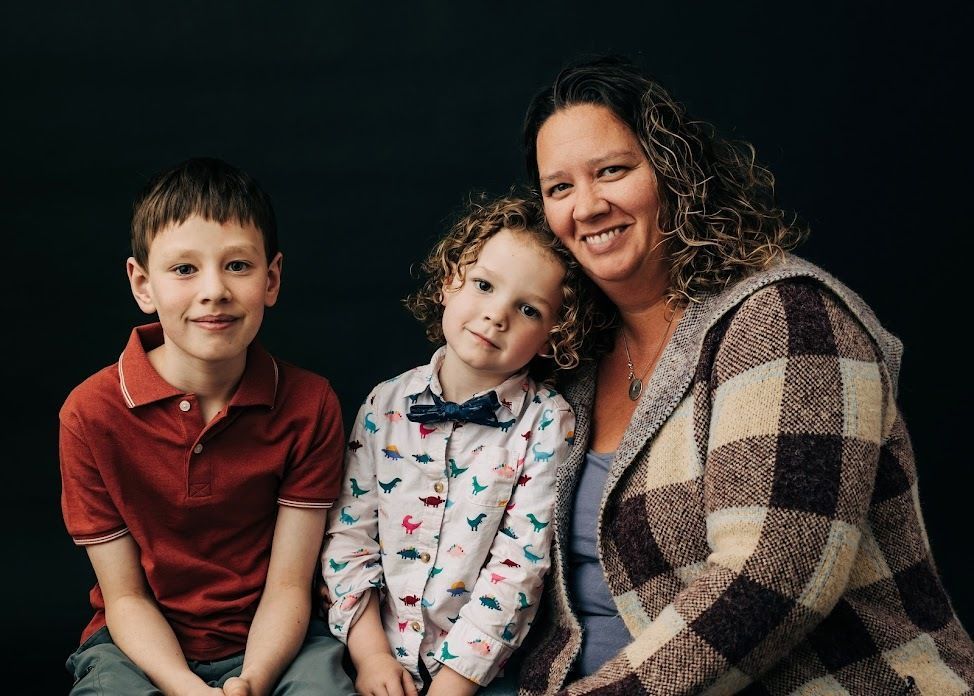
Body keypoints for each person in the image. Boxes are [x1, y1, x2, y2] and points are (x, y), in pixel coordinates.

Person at [515, 56, 974, 695]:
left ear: (674, 171)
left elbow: (771, 577)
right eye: (559, 187)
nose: (587, 206)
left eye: (611, 171)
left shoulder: (785, 318)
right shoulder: (577, 358)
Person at [59, 157, 355, 695]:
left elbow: (289, 584)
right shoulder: (90, 413)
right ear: (142, 284)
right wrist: (184, 688)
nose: (214, 290)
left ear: (272, 279)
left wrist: (253, 681)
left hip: (277, 639)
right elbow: (124, 597)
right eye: (184, 269)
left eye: (238, 266)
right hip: (136, 645)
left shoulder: (310, 404)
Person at [321, 194, 600, 696]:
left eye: (528, 308)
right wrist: (371, 657)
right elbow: (349, 537)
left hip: (482, 670)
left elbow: (519, 566)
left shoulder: (547, 424)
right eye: (485, 285)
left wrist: (455, 683)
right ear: (451, 280)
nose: (496, 315)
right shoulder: (385, 404)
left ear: (553, 334)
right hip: (372, 656)